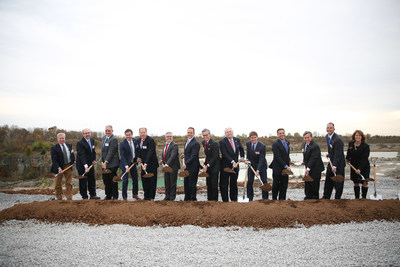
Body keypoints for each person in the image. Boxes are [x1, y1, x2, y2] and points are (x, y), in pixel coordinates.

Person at [219, 127, 245, 202]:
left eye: (230, 131)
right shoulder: (222, 142)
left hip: (235, 166)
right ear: (225, 134)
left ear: (232, 132)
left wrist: (242, 157)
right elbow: (224, 153)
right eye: (227, 132)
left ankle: (234, 199)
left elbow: (241, 149)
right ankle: (225, 201)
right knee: (224, 184)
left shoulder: (237, 140)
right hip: (226, 166)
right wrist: (232, 161)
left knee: (233, 183)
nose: (229, 133)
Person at [323, 122, 345, 199]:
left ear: (334, 129)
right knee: (328, 180)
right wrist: (330, 154)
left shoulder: (338, 140)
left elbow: (338, 154)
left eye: (330, 128)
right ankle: (326, 197)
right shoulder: (327, 136)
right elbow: (332, 149)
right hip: (332, 161)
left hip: (338, 164)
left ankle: (337, 198)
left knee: (338, 181)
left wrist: (335, 166)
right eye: (327, 127)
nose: (329, 129)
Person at [76, 128, 100, 199]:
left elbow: (93, 151)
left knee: (92, 180)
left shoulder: (92, 140)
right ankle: (84, 196)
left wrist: (93, 159)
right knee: (83, 181)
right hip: (82, 165)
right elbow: (81, 155)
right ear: (83, 134)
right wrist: (85, 166)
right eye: (86, 133)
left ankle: (93, 194)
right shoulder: (80, 143)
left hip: (90, 164)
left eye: (88, 133)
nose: (87, 134)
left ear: (90, 133)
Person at [346, 130, 370, 199]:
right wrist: (347, 159)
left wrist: (359, 168)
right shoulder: (351, 144)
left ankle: (363, 198)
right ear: (354, 136)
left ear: (362, 137)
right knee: (356, 182)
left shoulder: (365, 146)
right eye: (356, 135)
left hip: (363, 166)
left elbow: (364, 159)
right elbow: (348, 153)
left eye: (359, 135)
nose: (358, 137)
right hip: (353, 165)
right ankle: (357, 198)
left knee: (364, 182)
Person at [50, 132, 75, 200]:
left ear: (65, 138)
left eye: (63, 138)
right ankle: (59, 197)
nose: (61, 139)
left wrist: (73, 161)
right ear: (57, 139)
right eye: (60, 138)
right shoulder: (54, 148)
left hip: (68, 165)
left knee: (69, 182)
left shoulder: (69, 145)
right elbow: (54, 160)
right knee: (58, 183)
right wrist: (58, 168)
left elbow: (72, 154)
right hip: (59, 167)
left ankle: (69, 197)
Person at [270, 128, 292, 200]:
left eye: (283, 133)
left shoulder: (287, 142)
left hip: (285, 167)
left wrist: (289, 161)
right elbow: (278, 157)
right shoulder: (275, 144)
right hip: (277, 167)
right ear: (277, 135)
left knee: (284, 184)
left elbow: (286, 154)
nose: (282, 134)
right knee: (276, 184)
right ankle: (274, 199)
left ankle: (282, 200)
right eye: (280, 133)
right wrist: (285, 166)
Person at [246, 131, 268, 201]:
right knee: (249, 182)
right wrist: (247, 160)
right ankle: (250, 198)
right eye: (252, 138)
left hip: (262, 166)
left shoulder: (262, 146)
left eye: (254, 137)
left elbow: (262, 159)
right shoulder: (248, 144)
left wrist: (258, 170)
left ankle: (265, 198)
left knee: (264, 181)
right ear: (250, 138)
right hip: (251, 165)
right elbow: (248, 153)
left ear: (257, 137)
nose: (253, 139)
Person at [137, 127, 159, 201]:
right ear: (139, 133)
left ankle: (151, 197)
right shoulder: (139, 140)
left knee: (152, 181)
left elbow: (150, 153)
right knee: (144, 180)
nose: (142, 134)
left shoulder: (150, 140)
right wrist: (139, 157)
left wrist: (146, 163)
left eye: (144, 132)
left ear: (146, 132)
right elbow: (139, 151)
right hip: (143, 165)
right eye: (141, 132)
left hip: (151, 164)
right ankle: (146, 196)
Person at [302, 131, 325, 200]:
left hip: (316, 168)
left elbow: (313, 158)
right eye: (305, 138)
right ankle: (308, 197)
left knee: (314, 184)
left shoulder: (315, 146)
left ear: (311, 137)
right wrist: (304, 162)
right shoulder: (304, 144)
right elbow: (306, 156)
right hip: (308, 167)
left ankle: (315, 198)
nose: (307, 139)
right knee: (308, 182)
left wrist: (308, 168)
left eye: (308, 137)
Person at [119, 129, 140, 200]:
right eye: (127, 135)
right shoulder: (122, 144)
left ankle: (135, 194)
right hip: (125, 164)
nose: (128, 136)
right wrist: (126, 167)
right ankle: (124, 197)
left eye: (129, 135)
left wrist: (137, 157)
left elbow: (137, 151)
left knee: (135, 179)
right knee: (125, 181)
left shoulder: (135, 141)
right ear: (125, 135)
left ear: (132, 134)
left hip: (133, 163)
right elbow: (123, 156)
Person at [101, 125, 120, 200]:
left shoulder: (114, 139)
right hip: (105, 164)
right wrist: (102, 158)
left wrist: (106, 161)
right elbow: (104, 150)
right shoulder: (104, 138)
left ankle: (115, 196)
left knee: (113, 180)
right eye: (106, 130)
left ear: (112, 131)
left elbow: (111, 151)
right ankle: (108, 195)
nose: (107, 132)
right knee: (106, 180)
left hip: (112, 164)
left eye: (109, 130)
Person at [201, 129, 220, 201]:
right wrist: (206, 165)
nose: (205, 136)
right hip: (208, 165)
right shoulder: (203, 142)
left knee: (214, 184)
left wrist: (207, 165)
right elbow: (208, 155)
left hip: (215, 166)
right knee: (208, 183)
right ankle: (209, 199)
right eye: (204, 135)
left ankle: (215, 201)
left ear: (209, 135)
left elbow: (215, 156)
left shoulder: (215, 144)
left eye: (206, 135)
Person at [182, 127, 200, 201]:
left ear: (194, 133)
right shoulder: (187, 140)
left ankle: (193, 199)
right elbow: (188, 153)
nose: (189, 134)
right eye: (188, 132)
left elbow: (194, 156)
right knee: (186, 183)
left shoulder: (196, 143)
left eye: (191, 133)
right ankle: (187, 198)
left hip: (193, 167)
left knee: (192, 184)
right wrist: (184, 156)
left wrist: (186, 163)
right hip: (187, 166)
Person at [160, 132, 180, 201]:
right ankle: (167, 196)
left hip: (173, 167)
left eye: (170, 136)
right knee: (167, 182)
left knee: (172, 183)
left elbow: (173, 156)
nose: (169, 137)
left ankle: (172, 197)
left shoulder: (174, 145)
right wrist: (162, 161)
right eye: (167, 136)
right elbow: (164, 154)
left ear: (172, 137)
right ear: (165, 137)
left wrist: (167, 164)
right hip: (166, 167)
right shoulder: (165, 144)